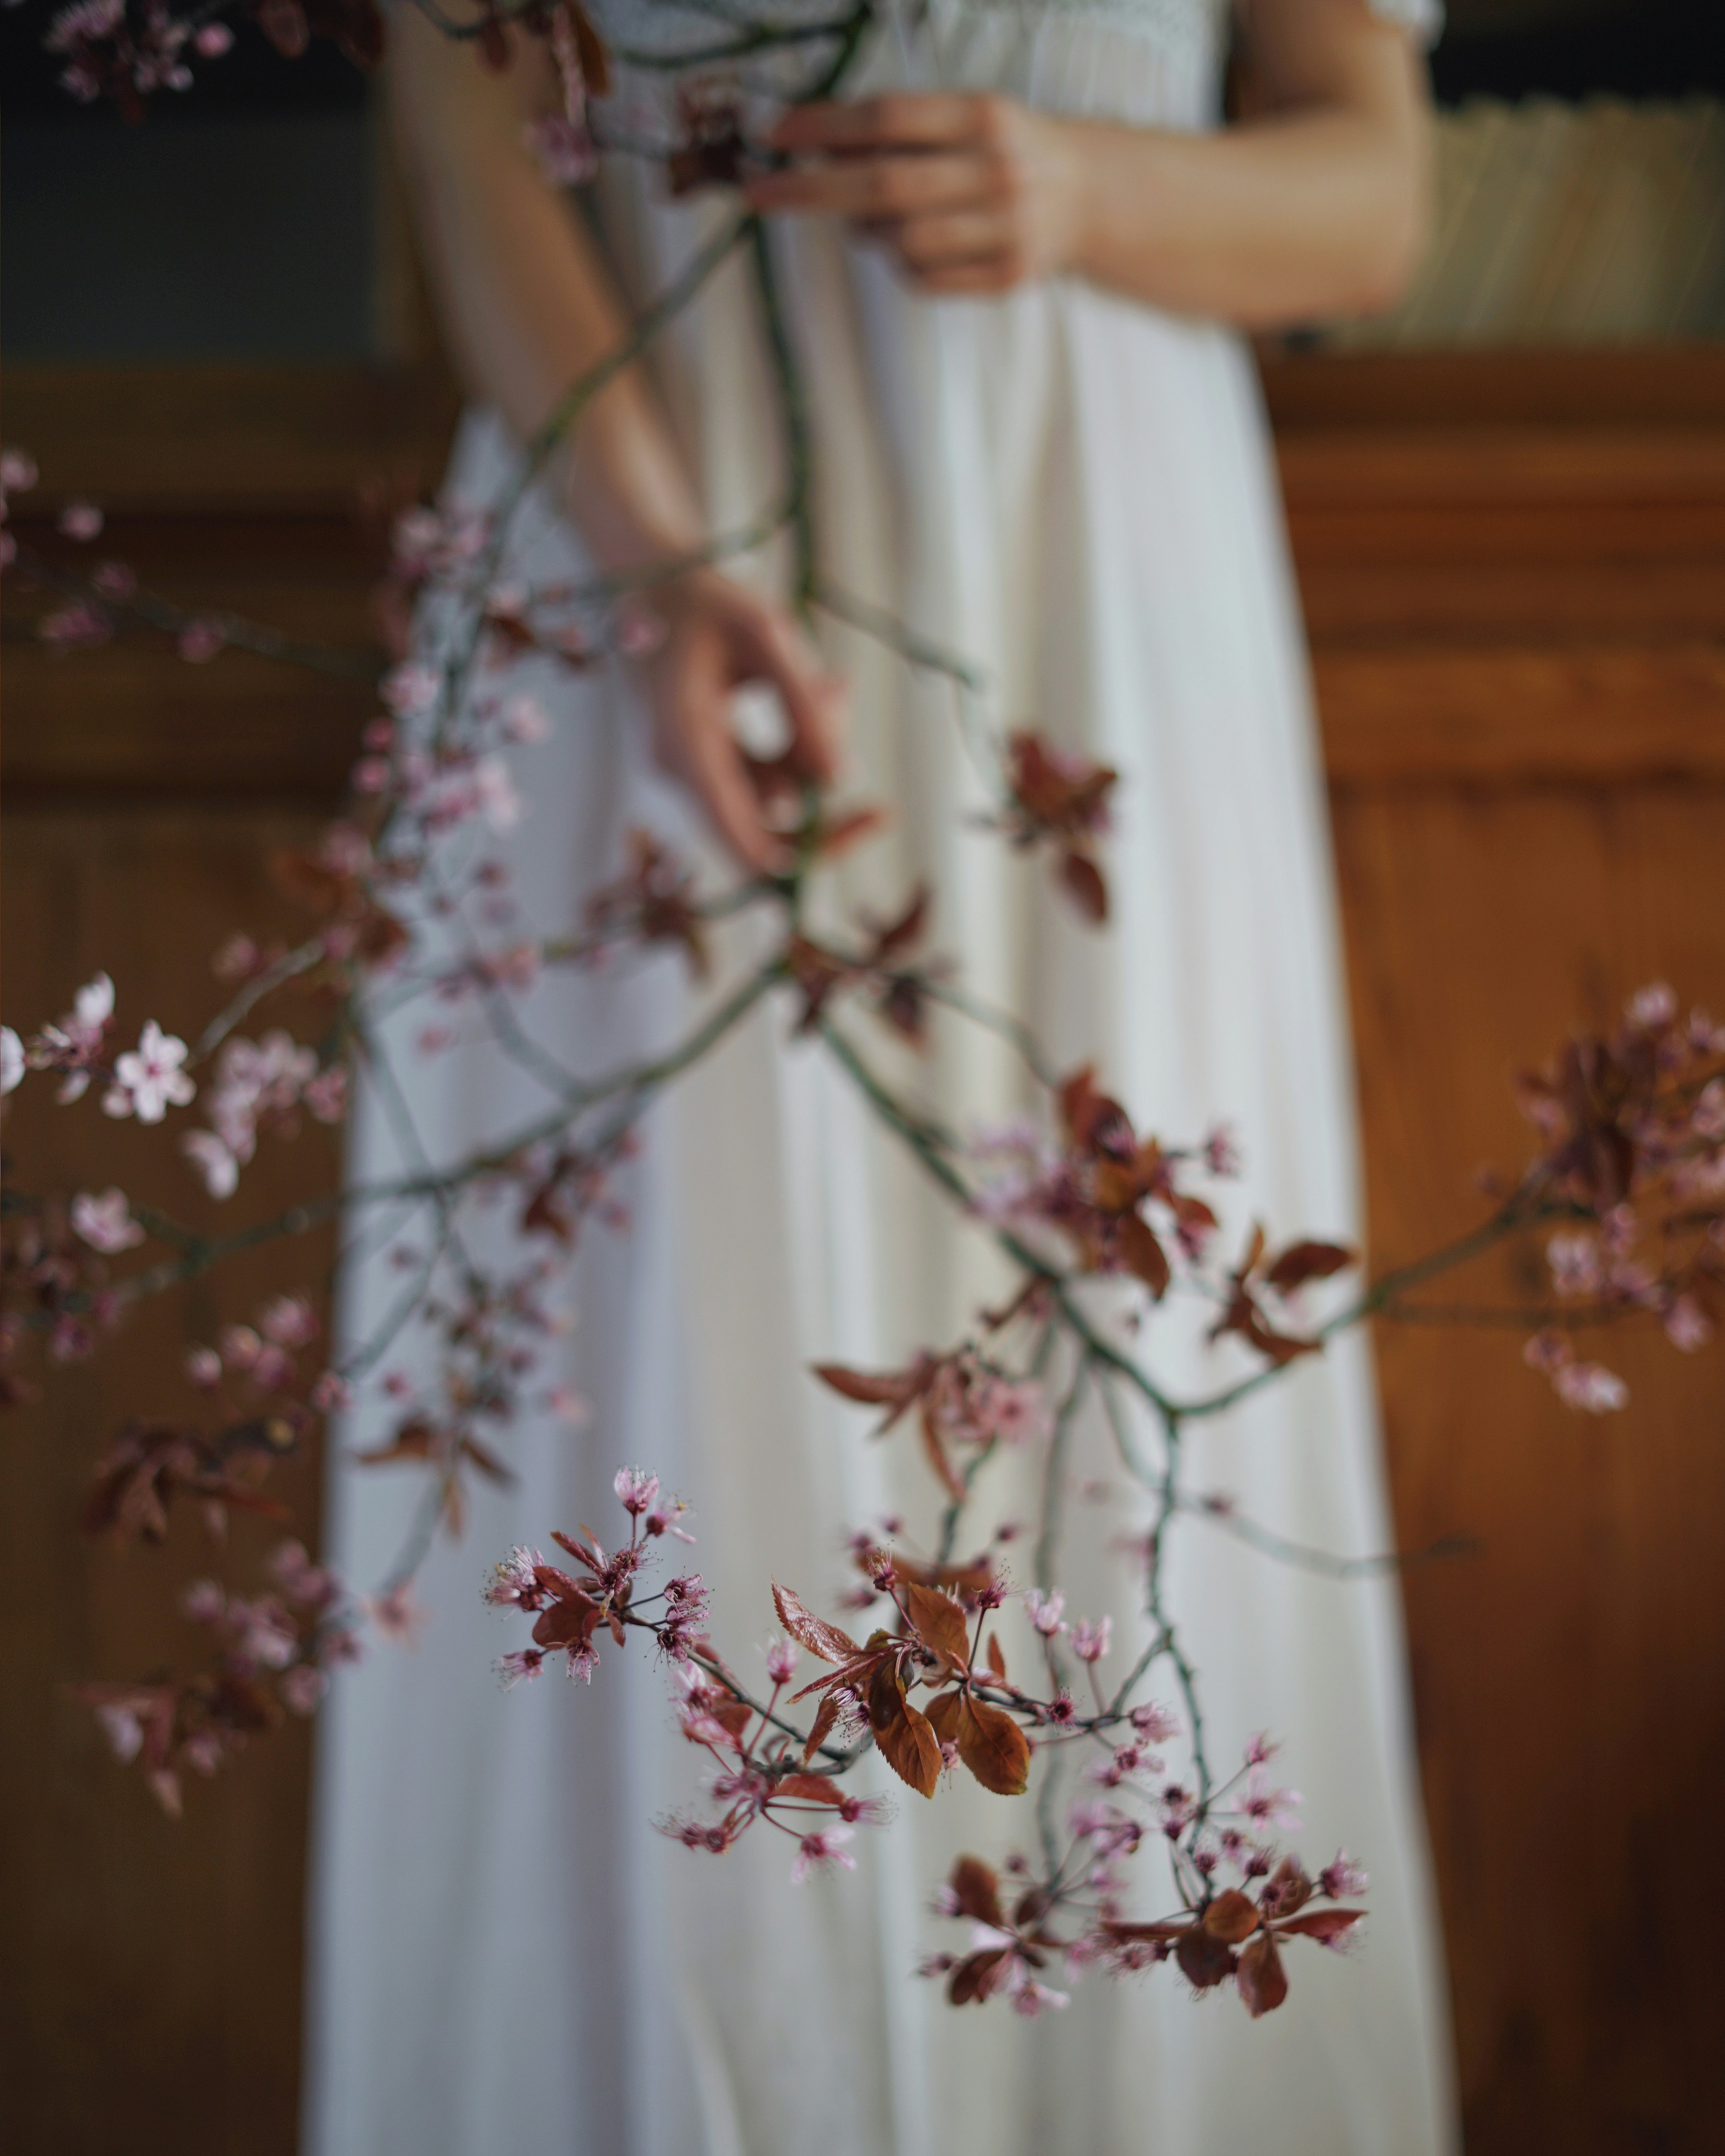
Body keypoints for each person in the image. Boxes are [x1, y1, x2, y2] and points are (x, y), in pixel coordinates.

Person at [306, 3, 1458, 2152]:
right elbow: (455, 116)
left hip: (1083, 592)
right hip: (635, 559)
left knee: (1109, 1413)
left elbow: (1370, 190)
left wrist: (1088, 185)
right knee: (658, 1407)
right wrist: (653, 568)